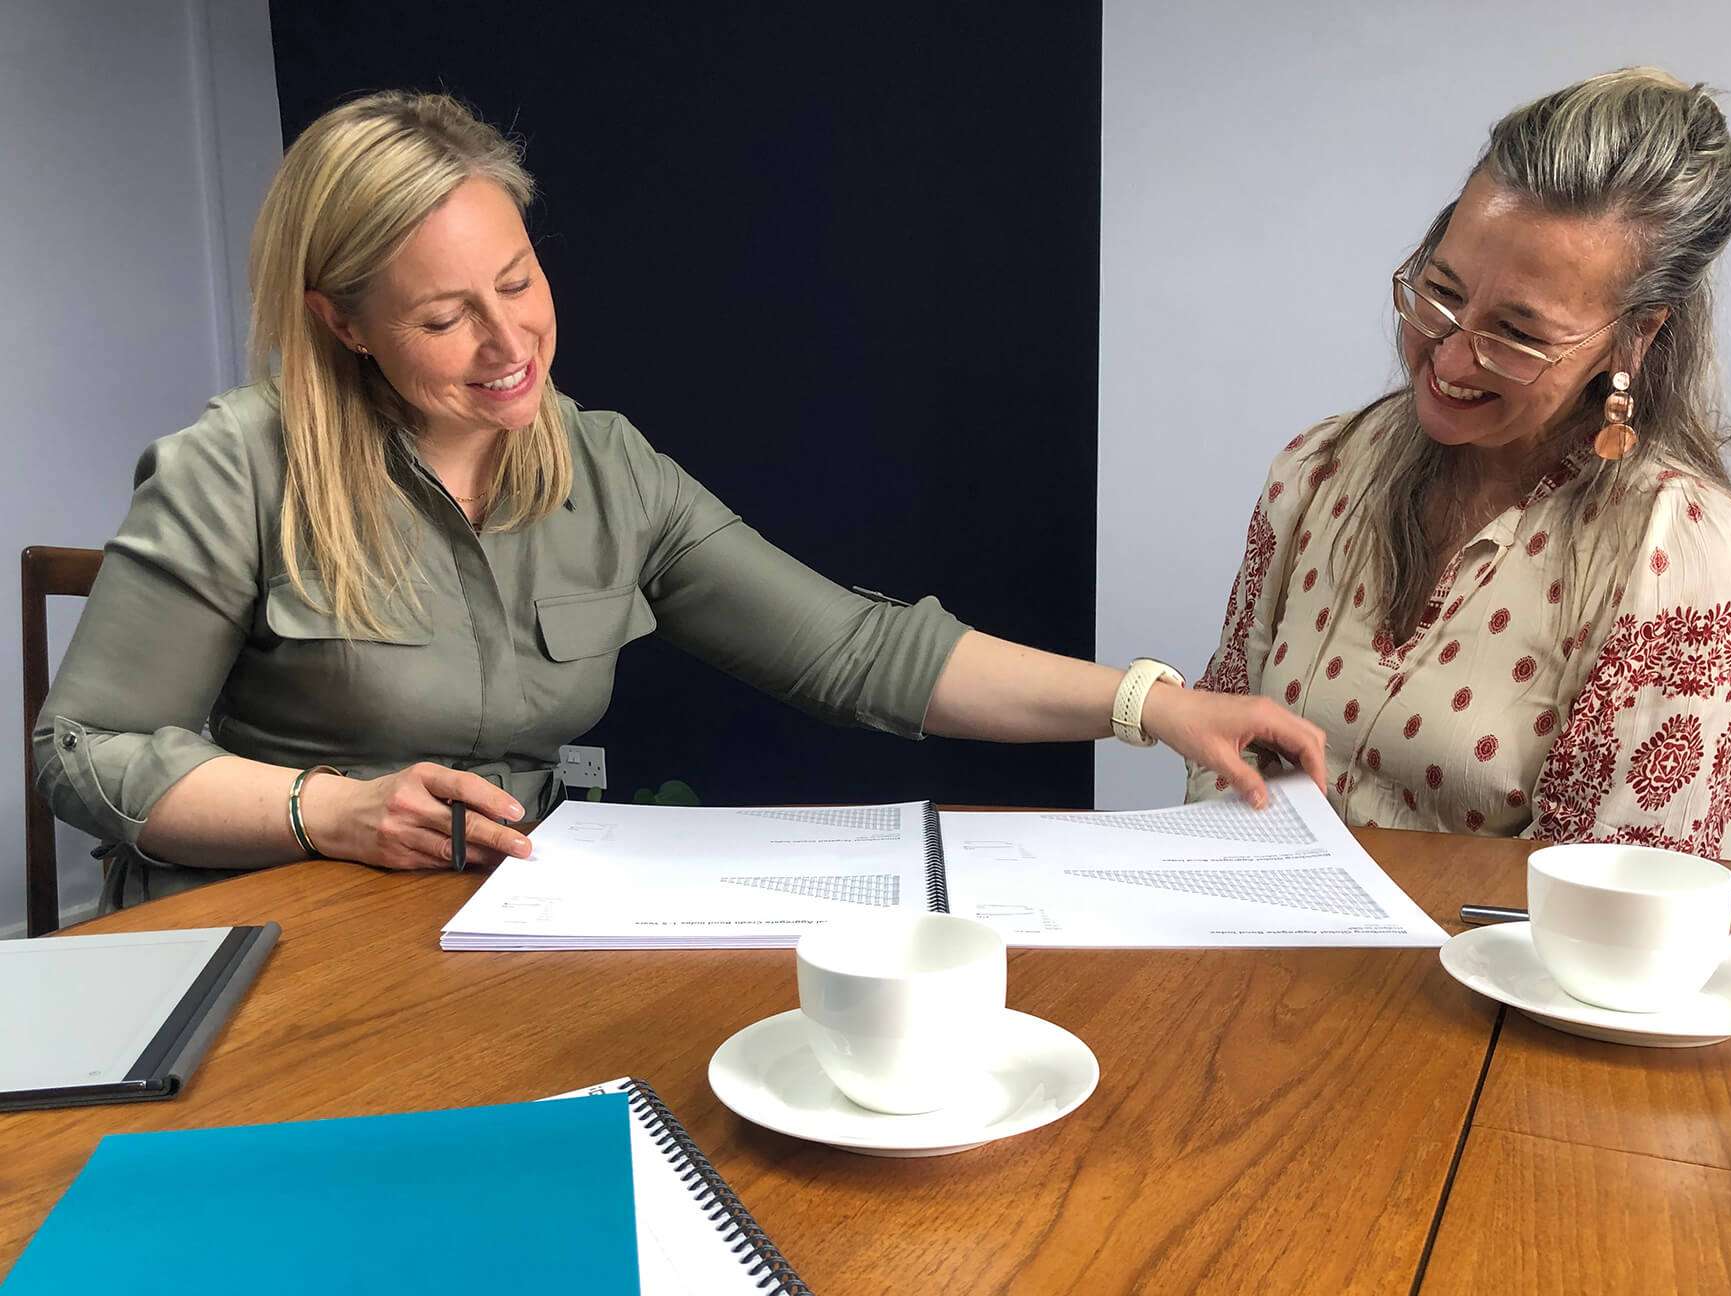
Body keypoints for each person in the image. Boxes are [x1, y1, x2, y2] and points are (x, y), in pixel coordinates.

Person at [37, 91, 1325, 911]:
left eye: (518, 281)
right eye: (443, 317)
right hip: (261, 927)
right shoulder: (234, 465)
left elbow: (858, 650)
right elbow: (83, 750)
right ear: (342, 323)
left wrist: (1151, 707)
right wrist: (327, 809)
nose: (509, 343)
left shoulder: (606, 466)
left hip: (484, 924)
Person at [1188, 68, 1731, 859]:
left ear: (1634, 339)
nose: (1451, 357)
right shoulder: (1321, 472)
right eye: (1442, 291)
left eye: (1518, 333)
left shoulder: (1681, 558)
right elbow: (1218, 746)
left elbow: (1619, 896)